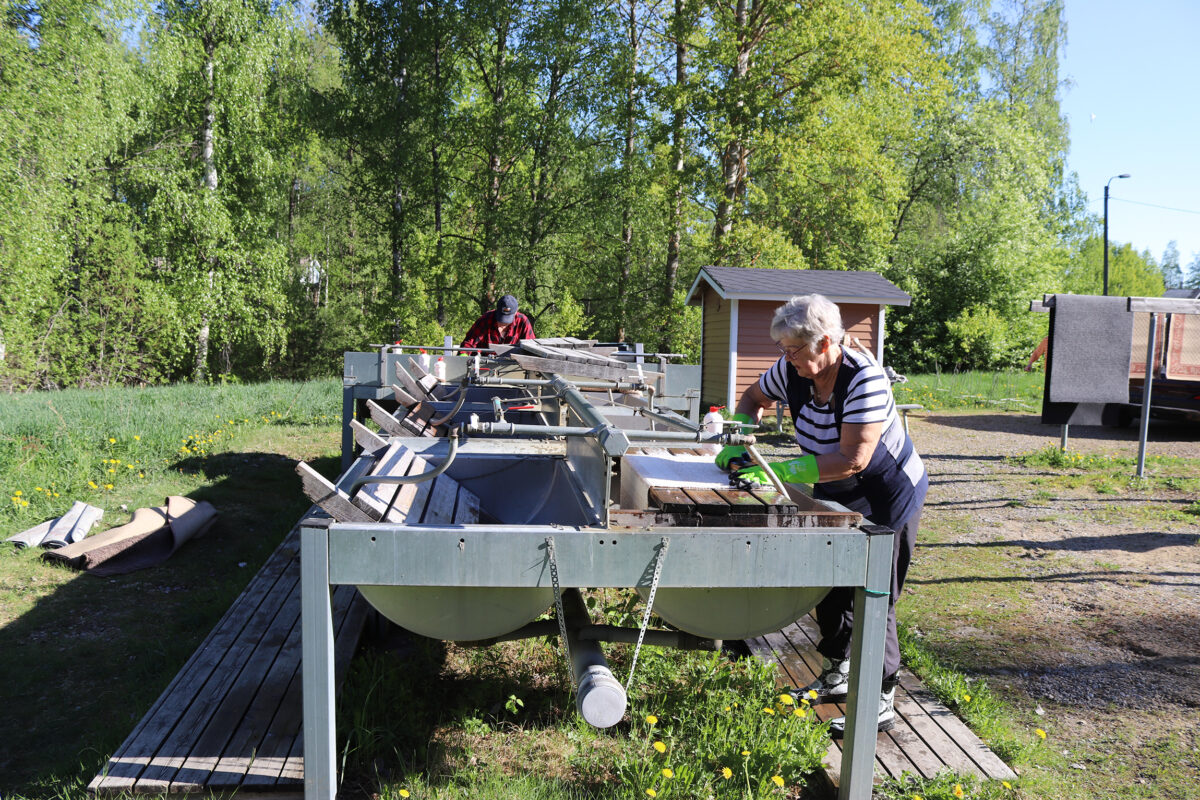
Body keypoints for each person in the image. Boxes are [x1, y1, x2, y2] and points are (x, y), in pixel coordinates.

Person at [715, 293, 928, 736]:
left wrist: (778, 469)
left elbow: (854, 458)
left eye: (794, 349)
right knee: (830, 580)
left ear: (826, 343)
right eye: (783, 348)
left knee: (875, 592)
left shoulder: (864, 379)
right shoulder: (791, 369)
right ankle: (839, 669)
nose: (785, 357)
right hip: (834, 483)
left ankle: (881, 694)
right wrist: (740, 439)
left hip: (887, 490)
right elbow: (752, 397)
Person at [460, 294, 536, 350]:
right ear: (497, 310)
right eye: (501, 318)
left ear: (516, 312)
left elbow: (531, 347)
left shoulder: (522, 322)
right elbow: (468, 343)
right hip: (484, 364)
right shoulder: (485, 319)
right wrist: (462, 359)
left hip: (512, 365)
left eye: (507, 319)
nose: (503, 323)